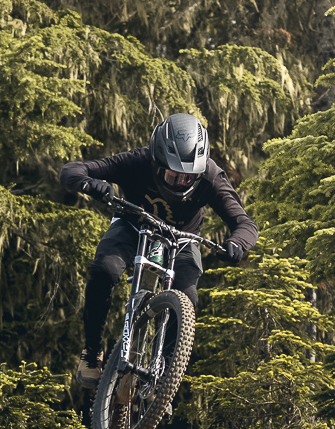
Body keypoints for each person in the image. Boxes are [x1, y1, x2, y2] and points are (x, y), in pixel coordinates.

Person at [60, 112, 259, 388]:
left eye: (188, 178)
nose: (180, 182)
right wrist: (89, 182)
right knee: (104, 270)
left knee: (187, 298)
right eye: (172, 174)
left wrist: (237, 243)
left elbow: (245, 223)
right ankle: (92, 353)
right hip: (133, 225)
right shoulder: (138, 162)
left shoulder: (211, 176)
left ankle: (164, 378)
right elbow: (72, 169)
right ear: (157, 161)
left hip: (181, 240)